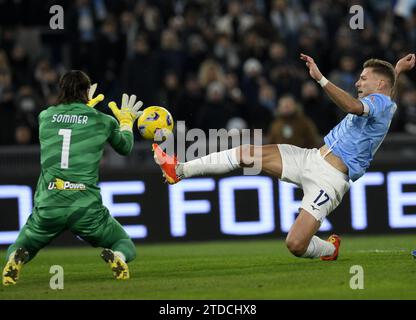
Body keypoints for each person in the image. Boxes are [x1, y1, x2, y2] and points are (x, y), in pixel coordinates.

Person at [153, 53, 415, 261]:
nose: (357, 83)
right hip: (310, 158)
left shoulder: (378, 104)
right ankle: (180, 169)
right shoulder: (384, 102)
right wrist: (397, 69)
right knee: (247, 153)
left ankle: (327, 249)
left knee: (296, 244)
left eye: (363, 78)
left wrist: (320, 79)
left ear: (379, 84)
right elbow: (383, 93)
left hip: (330, 180)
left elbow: (351, 106)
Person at [2, 70, 143, 285]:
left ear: (61, 90)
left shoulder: (45, 116)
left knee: (21, 245)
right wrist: (125, 122)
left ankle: (15, 258)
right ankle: (118, 257)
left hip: (49, 204)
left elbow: (68, 124)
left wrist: (80, 113)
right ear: (87, 92)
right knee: (123, 242)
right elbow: (125, 147)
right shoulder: (102, 121)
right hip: (85, 206)